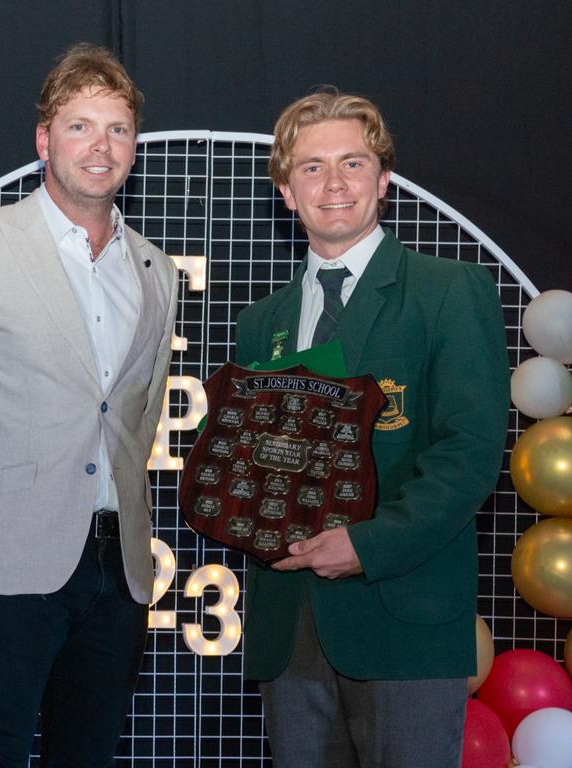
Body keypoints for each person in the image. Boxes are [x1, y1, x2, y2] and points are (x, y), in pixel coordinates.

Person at [0, 43, 177, 767]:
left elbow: (136, 420)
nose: (100, 146)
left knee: (87, 754)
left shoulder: (154, 269)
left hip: (118, 569)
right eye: (80, 126)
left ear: (133, 147)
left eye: (117, 130)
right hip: (7, 558)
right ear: (43, 140)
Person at [234, 90, 509, 767]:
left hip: (402, 619)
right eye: (312, 168)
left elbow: (469, 454)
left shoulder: (448, 291)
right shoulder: (260, 322)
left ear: (384, 179)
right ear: (286, 190)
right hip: (288, 628)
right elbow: (250, 462)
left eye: (353, 163)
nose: (334, 185)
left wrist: (366, 544)